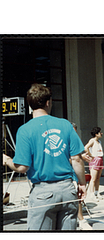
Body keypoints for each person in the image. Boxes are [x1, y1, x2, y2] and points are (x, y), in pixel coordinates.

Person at [2, 83, 87, 230]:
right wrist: (82, 184)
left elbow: (22, 167)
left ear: (30, 104)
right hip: (67, 190)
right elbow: (77, 159)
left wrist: (7, 160)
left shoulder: (25, 130)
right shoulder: (65, 125)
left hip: (43, 193)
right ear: (48, 102)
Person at [71, 122, 93, 230]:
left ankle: (81, 220)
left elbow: (77, 157)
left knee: (78, 197)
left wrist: (83, 156)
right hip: (65, 174)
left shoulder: (74, 142)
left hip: (74, 173)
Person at [84, 127, 104, 201]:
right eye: (100, 132)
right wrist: (91, 155)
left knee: (98, 177)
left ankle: (96, 192)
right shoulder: (92, 140)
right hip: (95, 160)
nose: (101, 133)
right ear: (96, 134)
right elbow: (86, 147)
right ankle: (91, 194)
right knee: (93, 178)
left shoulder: (99, 141)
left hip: (100, 159)